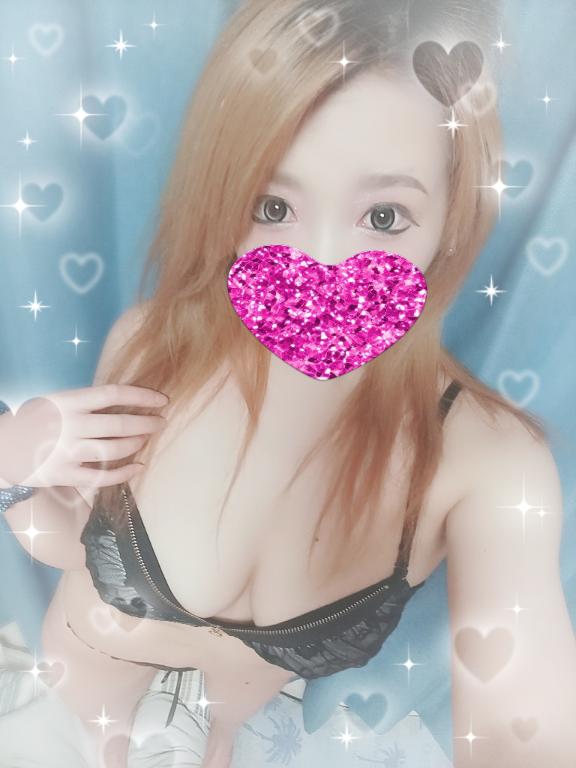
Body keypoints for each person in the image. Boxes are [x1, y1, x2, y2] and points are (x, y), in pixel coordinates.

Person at [1, 1, 574, 766]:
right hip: (54, 730)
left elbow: (523, 732)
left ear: (453, 217)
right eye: (273, 206)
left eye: (384, 216)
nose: (323, 261)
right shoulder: (152, 345)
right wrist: (13, 457)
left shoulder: (490, 465)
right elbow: (71, 537)